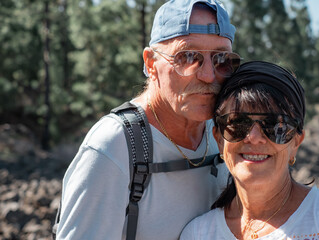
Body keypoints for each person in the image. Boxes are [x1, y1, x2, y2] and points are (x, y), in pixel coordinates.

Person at [55, 0, 242, 239]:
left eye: (222, 59)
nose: (208, 75)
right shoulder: (114, 148)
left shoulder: (225, 135)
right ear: (151, 63)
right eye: (187, 56)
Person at [180, 61, 319, 239]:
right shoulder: (197, 234)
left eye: (275, 126)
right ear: (219, 138)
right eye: (238, 123)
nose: (254, 137)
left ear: (296, 143)